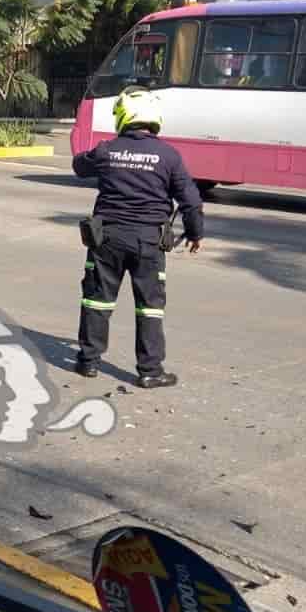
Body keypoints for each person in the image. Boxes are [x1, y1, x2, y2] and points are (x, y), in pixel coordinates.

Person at [71, 84, 205, 388]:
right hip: (149, 242)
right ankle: (150, 371)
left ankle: (88, 362)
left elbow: (79, 166)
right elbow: (191, 201)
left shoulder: (107, 150)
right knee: (150, 306)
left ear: (123, 116)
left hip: (107, 239)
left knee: (97, 301)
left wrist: (98, 155)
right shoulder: (168, 155)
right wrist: (196, 233)